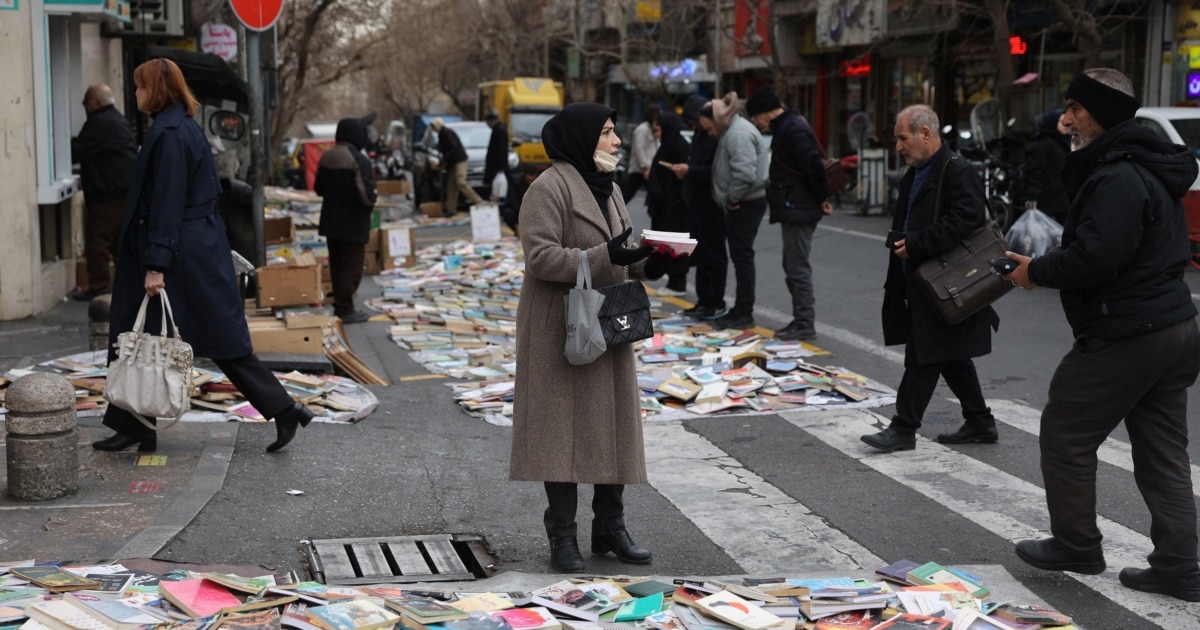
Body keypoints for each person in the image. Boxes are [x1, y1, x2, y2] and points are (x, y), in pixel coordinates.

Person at [1004, 69, 1200, 602]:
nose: (1065, 118)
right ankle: (1180, 568)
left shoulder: (1117, 174)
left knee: (1066, 432)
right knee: (1162, 453)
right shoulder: (1144, 164)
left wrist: (1036, 272)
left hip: (1129, 330)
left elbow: (1097, 257)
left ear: (1102, 114)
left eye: (1075, 108)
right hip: (1172, 325)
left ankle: (1076, 544)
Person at [92, 58, 313, 454]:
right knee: (144, 336)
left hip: (180, 256)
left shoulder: (171, 134)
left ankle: (283, 409)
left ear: (157, 91)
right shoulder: (176, 128)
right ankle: (134, 424)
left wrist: (156, 263)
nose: (137, 94)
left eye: (141, 87)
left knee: (184, 337)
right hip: (190, 249)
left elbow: (166, 202)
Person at [509, 102, 680, 573]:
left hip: (607, 320)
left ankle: (610, 528)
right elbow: (541, 258)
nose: (617, 141)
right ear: (584, 138)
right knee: (558, 434)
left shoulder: (610, 189)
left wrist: (655, 261)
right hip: (559, 326)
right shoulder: (548, 188)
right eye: (607, 132)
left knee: (612, 427)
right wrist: (606, 254)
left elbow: (621, 255)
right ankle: (562, 536)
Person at [860, 104, 1000, 453]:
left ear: (925, 133)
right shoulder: (917, 171)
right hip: (923, 279)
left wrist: (918, 242)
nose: (898, 146)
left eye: (902, 138)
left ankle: (903, 428)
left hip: (947, 281)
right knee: (950, 355)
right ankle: (980, 422)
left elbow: (968, 218)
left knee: (924, 354)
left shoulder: (956, 171)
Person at [744, 87, 831, 342]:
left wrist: (822, 197)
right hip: (796, 206)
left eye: (756, 118)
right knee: (792, 265)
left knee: (797, 267)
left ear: (765, 113)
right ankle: (801, 319)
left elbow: (813, 167)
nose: (756, 124)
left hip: (800, 208)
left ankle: (805, 322)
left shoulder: (791, 129)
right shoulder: (788, 127)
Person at [701, 93, 769, 331]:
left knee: (742, 258)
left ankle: (744, 310)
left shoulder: (738, 133)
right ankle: (741, 308)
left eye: (709, 128)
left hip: (745, 203)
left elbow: (744, 173)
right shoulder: (733, 130)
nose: (709, 133)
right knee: (741, 258)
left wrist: (732, 199)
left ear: (718, 120)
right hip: (743, 201)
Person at [69, 84, 137, 301]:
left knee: (98, 241)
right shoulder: (117, 119)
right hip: (122, 189)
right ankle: (126, 287)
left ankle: (99, 289)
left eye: (86, 101)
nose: (84, 106)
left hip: (108, 192)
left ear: (96, 103)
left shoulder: (99, 122)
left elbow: (76, 151)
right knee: (119, 243)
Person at [314, 117, 378, 324]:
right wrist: (373, 198)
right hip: (353, 223)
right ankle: (345, 308)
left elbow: (318, 188)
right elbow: (366, 196)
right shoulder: (358, 159)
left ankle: (342, 306)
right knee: (351, 267)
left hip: (331, 220)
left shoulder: (326, 156)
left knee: (337, 264)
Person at [674, 95, 727, 320]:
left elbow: (716, 171)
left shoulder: (715, 137)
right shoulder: (699, 134)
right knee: (701, 254)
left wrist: (690, 171)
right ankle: (704, 301)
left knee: (713, 255)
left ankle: (716, 302)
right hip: (696, 202)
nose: (694, 127)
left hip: (712, 203)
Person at [645, 111, 692, 296]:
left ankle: (677, 283)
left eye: (658, 130)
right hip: (665, 205)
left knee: (675, 244)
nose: (656, 135)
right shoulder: (667, 145)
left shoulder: (679, 146)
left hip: (675, 206)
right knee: (665, 244)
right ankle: (672, 281)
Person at [1020, 107, 1070, 223]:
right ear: (1052, 122)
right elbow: (1034, 172)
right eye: (1062, 122)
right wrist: (1032, 199)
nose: (1066, 125)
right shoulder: (1041, 144)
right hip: (1048, 202)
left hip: (1063, 201)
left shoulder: (1064, 142)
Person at [430, 117, 483, 215]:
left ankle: (478, 201)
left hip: (460, 160)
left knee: (461, 182)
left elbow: (453, 148)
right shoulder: (441, 135)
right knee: (451, 187)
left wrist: (443, 160)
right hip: (452, 163)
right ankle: (451, 210)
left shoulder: (447, 133)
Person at [621, 105, 659, 201]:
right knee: (627, 194)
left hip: (648, 167)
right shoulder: (642, 129)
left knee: (654, 194)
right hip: (639, 169)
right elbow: (639, 149)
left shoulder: (651, 129)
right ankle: (614, 212)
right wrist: (645, 167)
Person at [499, 163, 538, 235]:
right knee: (508, 213)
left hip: (530, 209)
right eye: (530, 175)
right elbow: (513, 200)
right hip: (517, 209)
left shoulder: (537, 183)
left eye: (533, 176)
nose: (531, 178)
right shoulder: (516, 181)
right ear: (525, 174)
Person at [483, 109, 508, 191]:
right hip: (495, 165)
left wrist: (501, 167)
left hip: (497, 166)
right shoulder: (497, 129)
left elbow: (503, 150)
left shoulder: (499, 130)